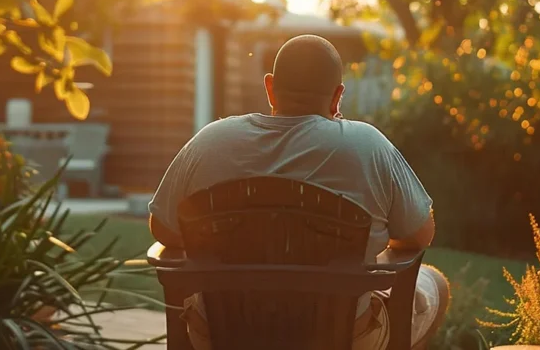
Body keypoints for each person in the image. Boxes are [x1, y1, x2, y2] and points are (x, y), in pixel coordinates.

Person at [148, 34, 450, 350]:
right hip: (344, 339)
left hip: (222, 336)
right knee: (435, 285)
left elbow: (164, 229)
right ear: (337, 97)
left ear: (270, 88)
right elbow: (420, 234)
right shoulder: (368, 146)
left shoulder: (210, 142)